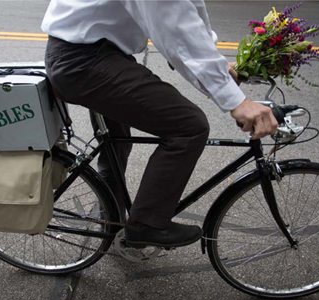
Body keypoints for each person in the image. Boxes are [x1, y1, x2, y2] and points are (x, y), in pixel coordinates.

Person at [42, 0, 278, 249]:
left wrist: (216, 66)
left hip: (93, 54)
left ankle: (111, 224)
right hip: (86, 61)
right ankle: (146, 226)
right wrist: (235, 101)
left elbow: (189, 10)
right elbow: (175, 27)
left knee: (116, 146)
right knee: (189, 126)